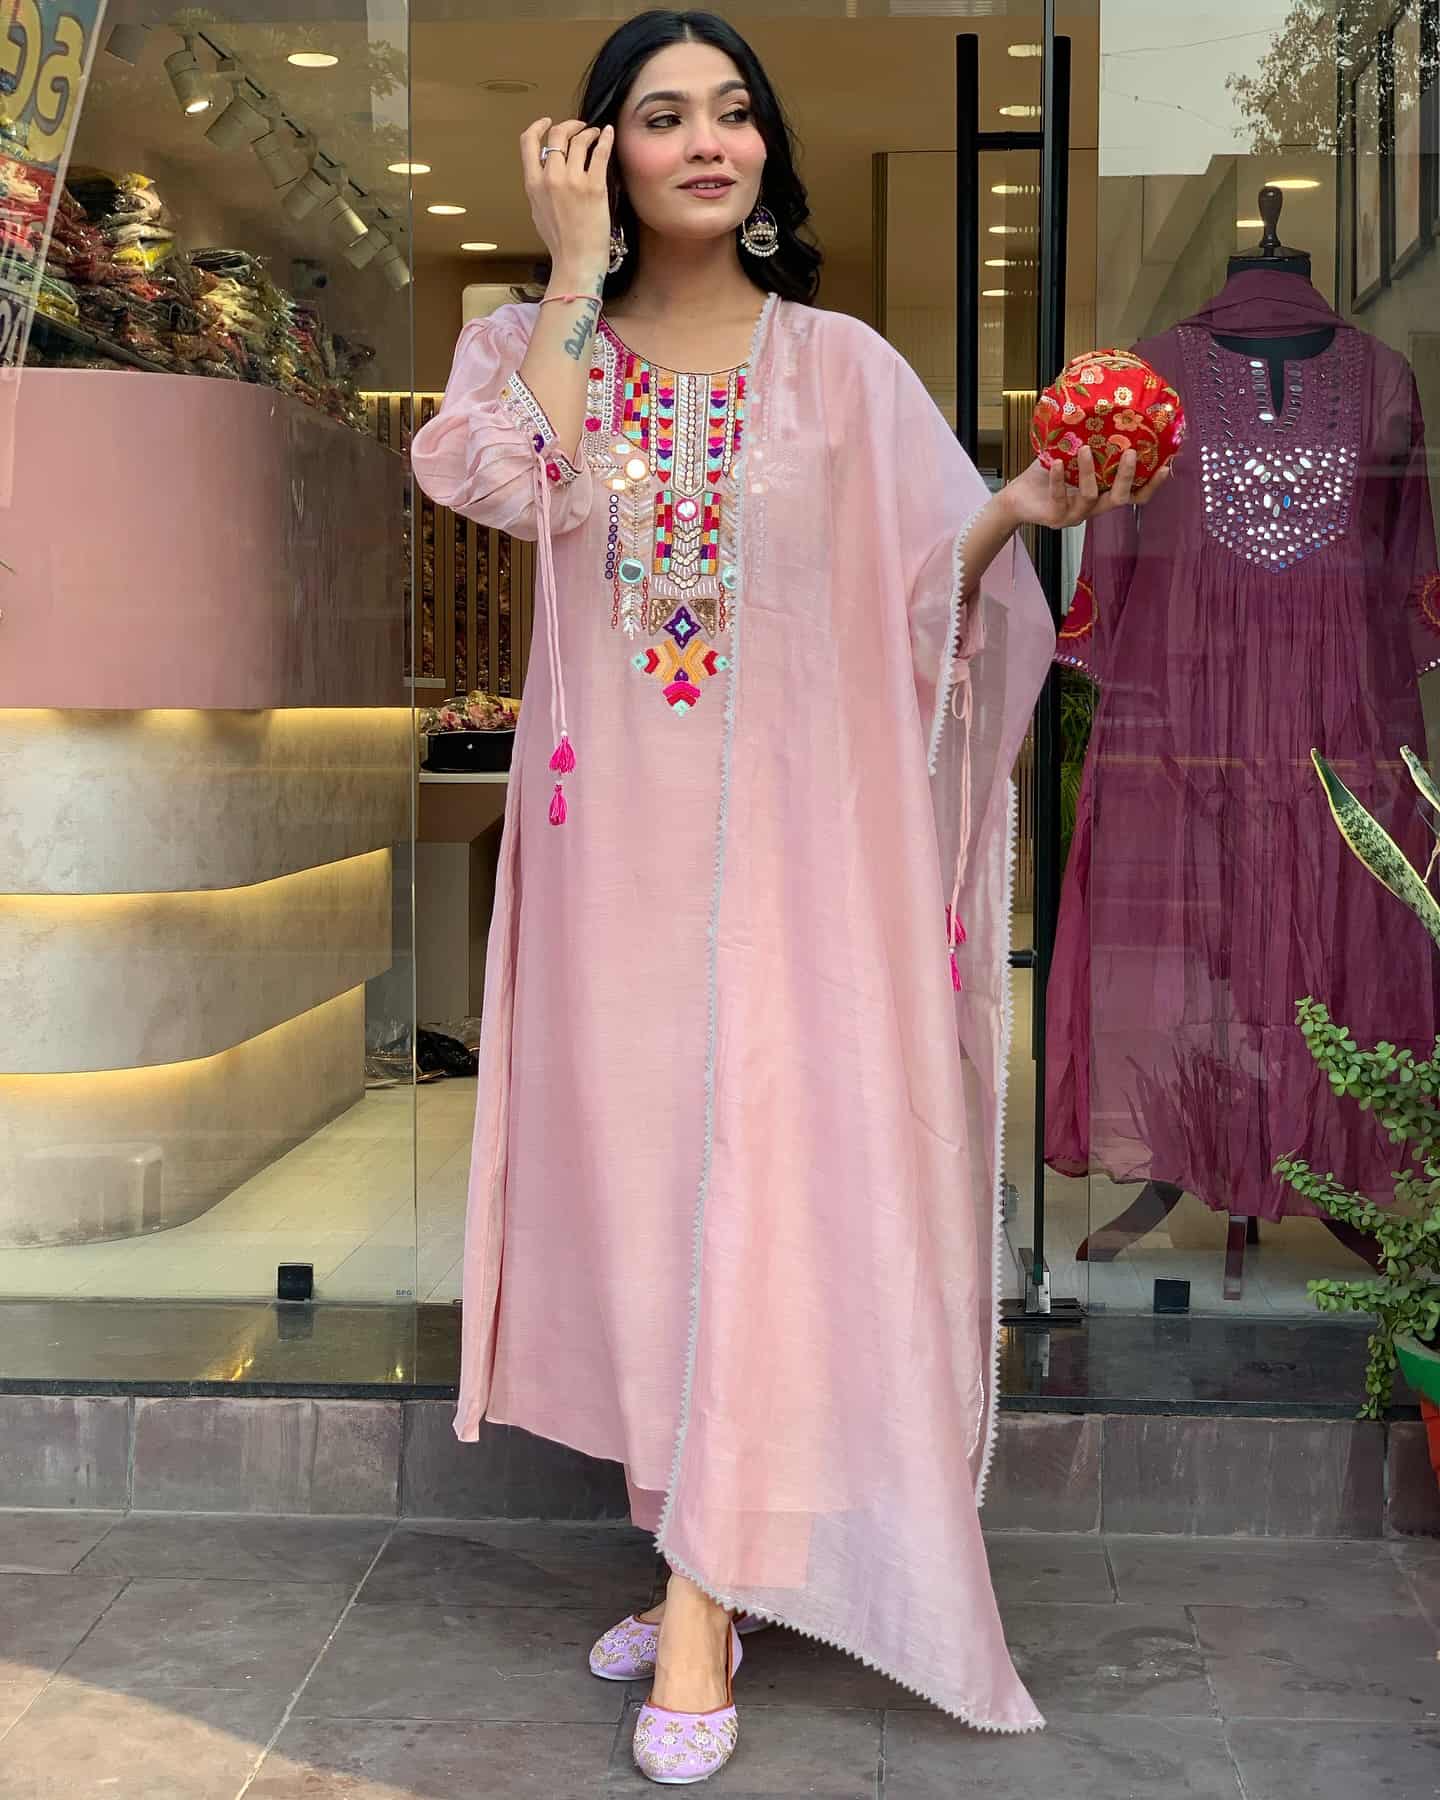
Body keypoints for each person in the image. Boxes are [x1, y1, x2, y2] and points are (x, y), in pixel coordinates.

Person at [411, 10, 1168, 1784]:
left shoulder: (835, 366)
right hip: (612, 866)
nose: (707, 141)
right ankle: (708, 1539)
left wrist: (1024, 506)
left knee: (761, 1176)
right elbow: (503, 484)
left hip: (789, 868)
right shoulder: (524, 345)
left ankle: (698, 1600)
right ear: (595, 151)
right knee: (651, 1191)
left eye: (734, 113)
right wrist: (575, 277)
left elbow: (927, 593)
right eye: (660, 117)